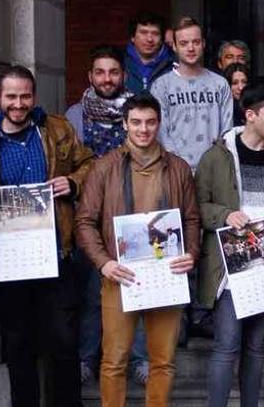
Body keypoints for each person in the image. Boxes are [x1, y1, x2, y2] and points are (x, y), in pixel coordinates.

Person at [0, 64, 94, 407]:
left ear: (33, 96)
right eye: (11, 96)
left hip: (56, 255)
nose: (18, 103)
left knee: (64, 346)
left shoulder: (57, 130)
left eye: (25, 95)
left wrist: (72, 183)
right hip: (8, 266)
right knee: (18, 348)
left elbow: (91, 165)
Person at [75, 93, 201, 406]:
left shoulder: (179, 168)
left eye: (150, 122)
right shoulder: (104, 168)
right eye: (136, 122)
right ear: (125, 125)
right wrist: (103, 263)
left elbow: (191, 218)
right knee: (115, 360)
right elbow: (85, 222)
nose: (143, 129)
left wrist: (192, 252)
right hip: (120, 274)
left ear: (159, 123)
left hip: (165, 273)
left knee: (162, 360)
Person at [195, 84, 264, 407]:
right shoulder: (217, 156)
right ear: (250, 115)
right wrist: (225, 215)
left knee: (256, 348)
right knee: (227, 345)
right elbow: (196, 206)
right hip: (230, 265)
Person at [65, 45, 151, 385]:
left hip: (134, 215)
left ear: (123, 75)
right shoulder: (74, 116)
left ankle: (139, 359)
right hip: (91, 217)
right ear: (90, 76)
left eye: (113, 72)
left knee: (137, 291)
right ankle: (87, 357)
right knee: (91, 293)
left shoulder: (138, 112)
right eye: (100, 72)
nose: (106, 78)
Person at [149, 16, 234, 171]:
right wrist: (176, 167)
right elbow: (161, 132)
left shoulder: (220, 84)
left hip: (214, 170)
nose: (190, 48)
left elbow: (227, 131)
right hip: (174, 170)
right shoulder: (161, 86)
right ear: (174, 46)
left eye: (196, 42)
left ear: (203, 44)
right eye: (183, 43)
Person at [124, 10, 175, 93]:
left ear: (162, 39)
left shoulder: (175, 65)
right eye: (143, 32)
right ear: (133, 37)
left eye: (155, 33)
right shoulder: (120, 63)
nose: (149, 39)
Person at [223, 62, 250, 127]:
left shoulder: (255, 107)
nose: (240, 87)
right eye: (235, 83)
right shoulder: (223, 110)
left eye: (244, 82)